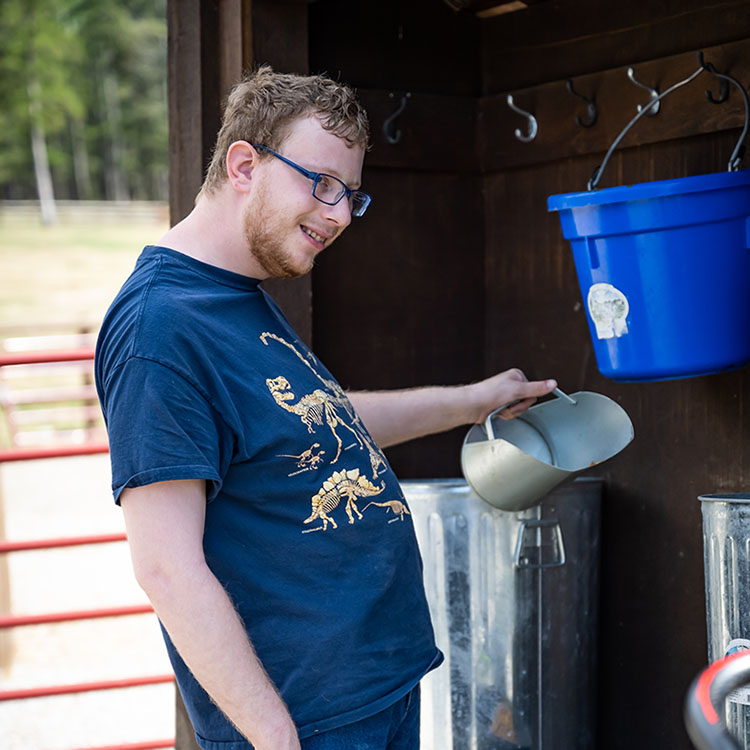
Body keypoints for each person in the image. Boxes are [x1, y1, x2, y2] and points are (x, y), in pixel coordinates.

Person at [95, 65, 557, 750]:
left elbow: (320, 423)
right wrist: (273, 736)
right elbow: (165, 566)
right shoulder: (161, 327)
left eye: (351, 196)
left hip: (376, 692)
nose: (340, 215)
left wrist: (476, 403)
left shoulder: (235, 293)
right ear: (245, 164)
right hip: (309, 723)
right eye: (322, 185)